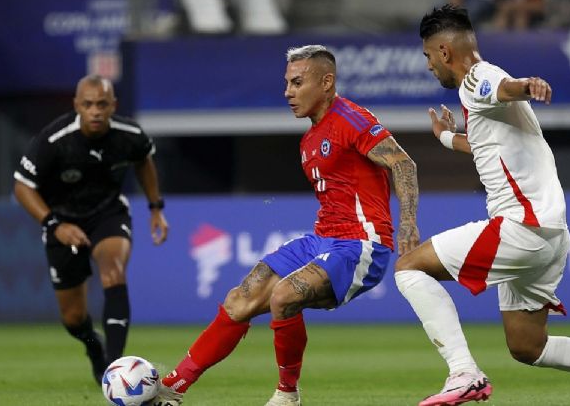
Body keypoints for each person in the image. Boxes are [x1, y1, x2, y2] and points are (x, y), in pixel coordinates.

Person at [394, 4, 570, 406]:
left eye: (427, 57)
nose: (428, 66)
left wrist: (528, 85)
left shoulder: (477, 78)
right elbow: (485, 145)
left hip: (520, 228)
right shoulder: (483, 96)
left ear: (443, 51)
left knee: (408, 267)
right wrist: (444, 138)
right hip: (551, 234)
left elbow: (506, 86)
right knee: (527, 345)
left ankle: (463, 372)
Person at [152, 45, 419, 406]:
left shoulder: (352, 118)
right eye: (286, 83)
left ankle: (287, 395)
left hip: (362, 246)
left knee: (284, 296)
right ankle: (173, 386)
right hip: (322, 239)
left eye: (297, 83)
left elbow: (403, 164)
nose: (288, 93)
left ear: (326, 82)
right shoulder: (309, 139)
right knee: (240, 298)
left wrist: (408, 224)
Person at [13, 74, 169, 385]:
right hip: (61, 221)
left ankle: (115, 369)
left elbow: (143, 161)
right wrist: (53, 224)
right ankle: (93, 346)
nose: (95, 111)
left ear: (114, 105)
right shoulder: (54, 140)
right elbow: (22, 186)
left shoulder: (130, 134)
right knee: (72, 319)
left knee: (113, 271)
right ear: (76, 106)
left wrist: (155, 208)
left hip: (108, 215)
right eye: (88, 104)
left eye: (102, 104)